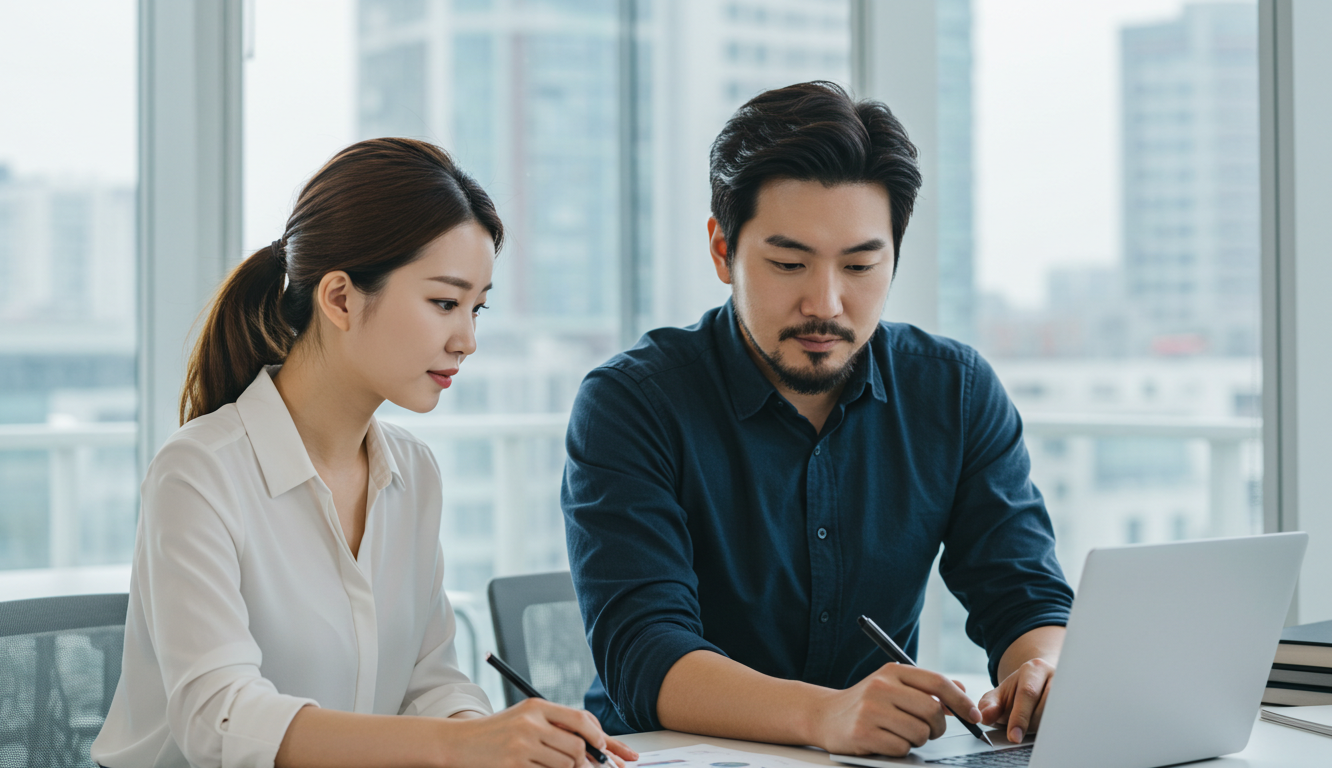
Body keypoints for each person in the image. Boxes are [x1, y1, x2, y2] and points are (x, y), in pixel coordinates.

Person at [561, 82, 1075, 758]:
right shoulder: (633, 403)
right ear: (723, 251)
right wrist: (825, 716)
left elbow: (1025, 594)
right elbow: (645, 653)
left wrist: (1039, 670)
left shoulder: (955, 391)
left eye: (861, 264)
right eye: (787, 263)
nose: (825, 302)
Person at [93, 138, 636, 768]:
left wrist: (496, 742)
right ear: (341, 299)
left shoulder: (414, 473)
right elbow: (220, 717)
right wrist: (458, 745)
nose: (467, 340)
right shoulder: (198, 473)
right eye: (444, 303)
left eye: (476, 308)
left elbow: (430, 683)